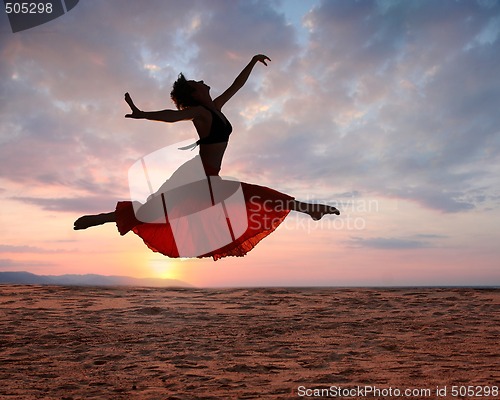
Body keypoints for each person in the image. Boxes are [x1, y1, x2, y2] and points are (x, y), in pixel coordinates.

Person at [74, 54, 340, 260]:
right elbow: (172, 115)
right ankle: (309, 209)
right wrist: (144, 114)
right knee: (246, 196)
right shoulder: (201, 112)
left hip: (207, 176)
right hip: (197, 176)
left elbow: (237, 85)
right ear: (195, 94)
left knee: (157, 210)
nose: (201, 81)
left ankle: (309, 209)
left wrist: (252, 61)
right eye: (196, 83)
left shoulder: (216, 107)